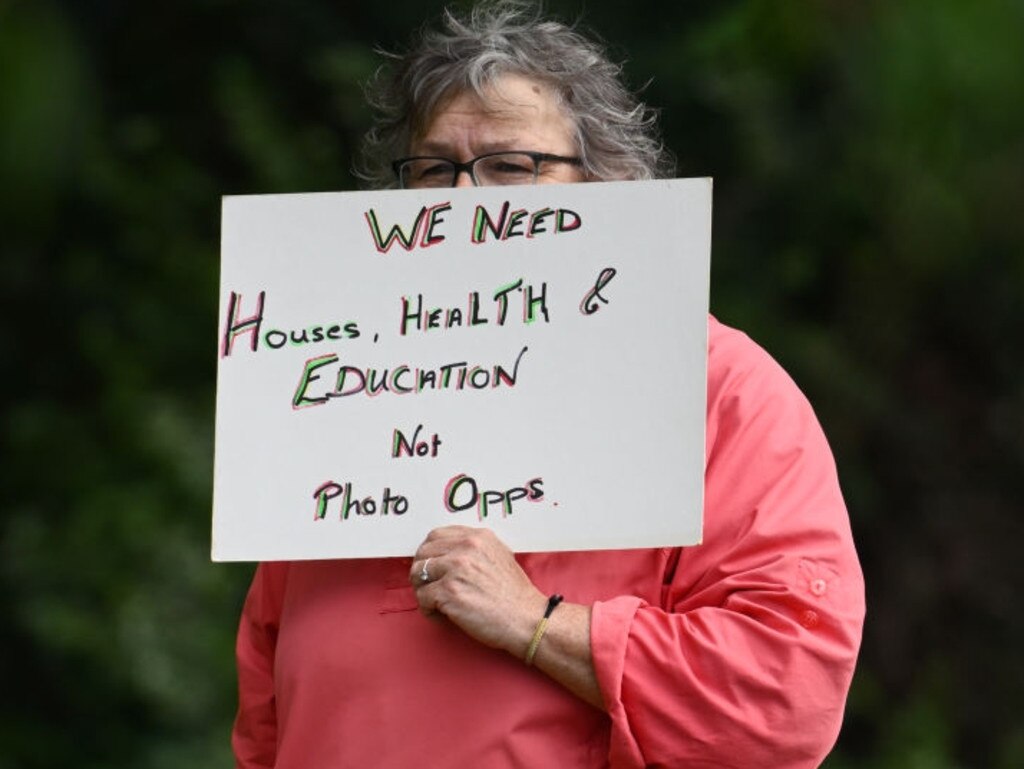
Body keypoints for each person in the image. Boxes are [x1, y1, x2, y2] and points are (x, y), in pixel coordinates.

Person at [232, 2, 865, 767]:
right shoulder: (342, 393)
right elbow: (264, 715)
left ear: (609, 183)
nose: (464, 203)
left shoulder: (721, 391)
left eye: (511, 167)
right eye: (435, 169)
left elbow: (782, 696)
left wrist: (538, 622)